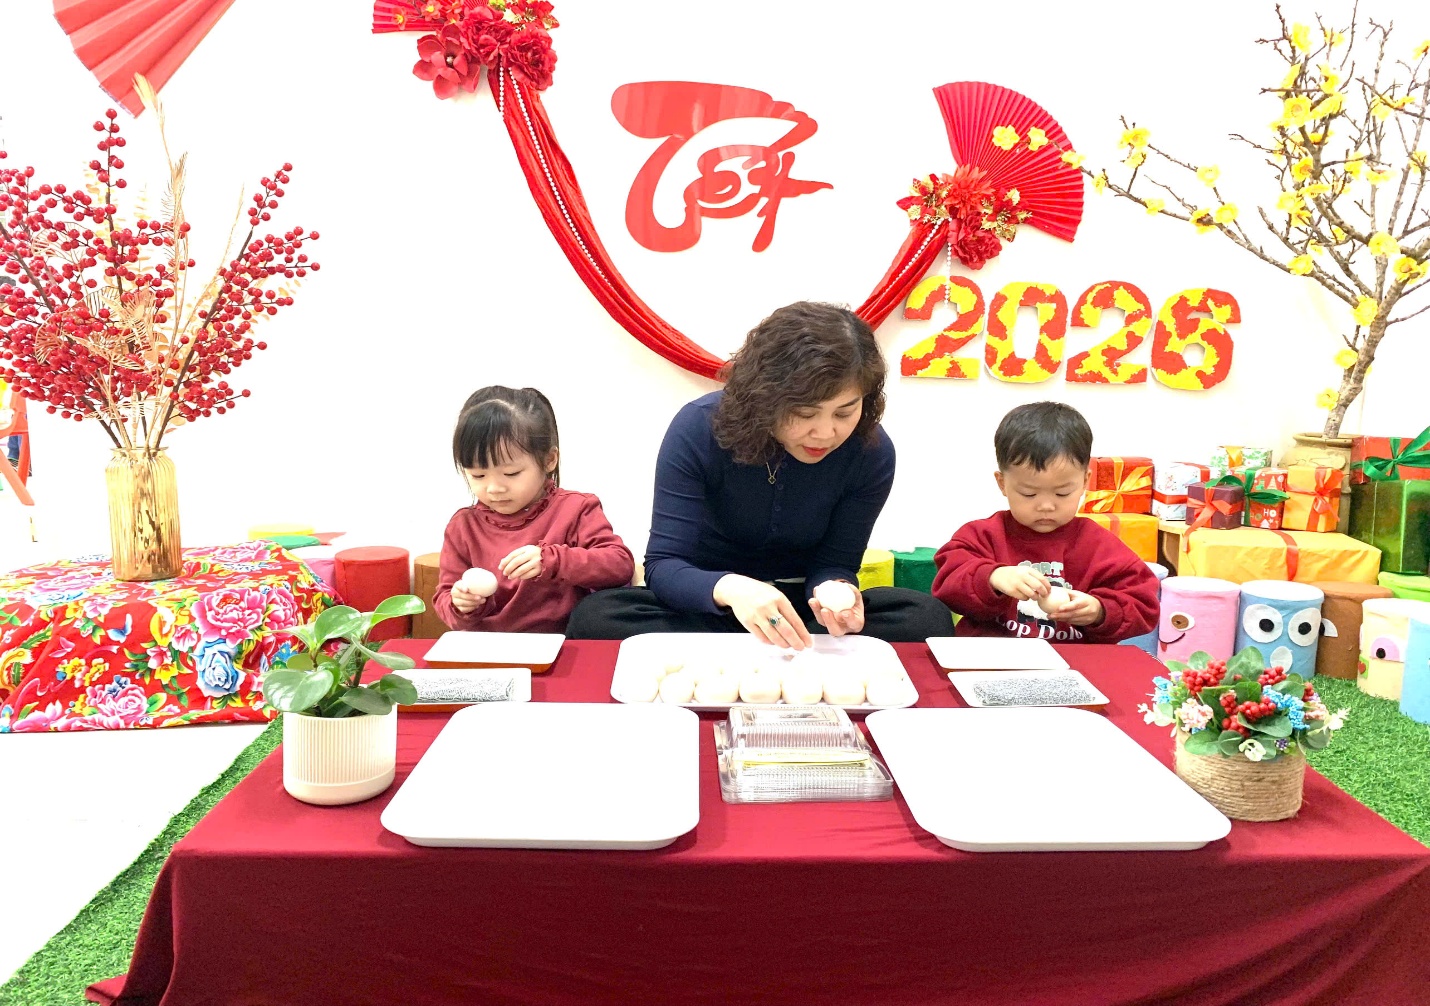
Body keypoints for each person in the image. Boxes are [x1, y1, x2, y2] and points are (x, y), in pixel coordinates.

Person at [567, 301, 954, 645]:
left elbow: (836, 563)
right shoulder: (698, 429)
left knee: (925, 618)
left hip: (800, 616)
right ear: (765, 397)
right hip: (710, 605)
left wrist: (837, 595)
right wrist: (733, 590)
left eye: (844, 412)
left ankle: (774, 649)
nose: (825, 433)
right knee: (596, 617)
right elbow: (665, 566)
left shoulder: (871, 452)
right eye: (803, 413)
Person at [930, 401, 1158, 642]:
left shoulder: (1100, 546)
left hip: (1074, 660)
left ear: (1084, 482)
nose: (1046, 506)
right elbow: (947, 584)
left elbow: (1143, 605)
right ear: (1002, 483)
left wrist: (1100, 611)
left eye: (1062, 493)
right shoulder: (983, 536)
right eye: (1029, 494)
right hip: (993, 655)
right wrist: (993, 577)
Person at [434, 386, 635, 634]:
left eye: (511, 473)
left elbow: (619, 565)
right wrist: (461, 604)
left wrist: (553, 561)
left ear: (549, 460)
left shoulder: (576, 509)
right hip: (488, 647)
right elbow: (446, 598)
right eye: (478, 475)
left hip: (561, 644)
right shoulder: (463, 526)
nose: (494, 488)